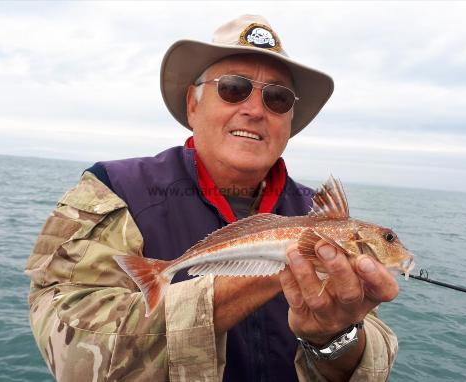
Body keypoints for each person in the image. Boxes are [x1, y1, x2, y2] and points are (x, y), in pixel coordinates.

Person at [26, 15, 399, 382]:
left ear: (289, 120)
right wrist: (279, 266)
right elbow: (71, 351)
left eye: (278, 98)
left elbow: (374, 363)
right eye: (234, 88)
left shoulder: (315, 212)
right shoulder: (114, 189)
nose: (255, 110)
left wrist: (334, 339)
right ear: (193, 103)